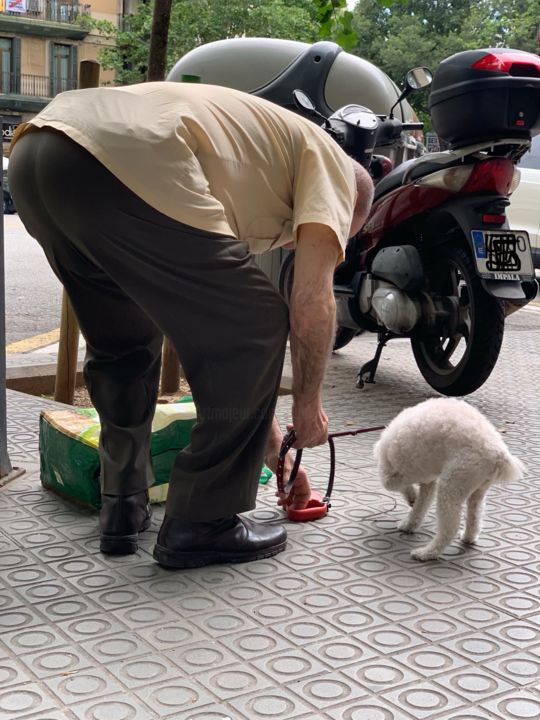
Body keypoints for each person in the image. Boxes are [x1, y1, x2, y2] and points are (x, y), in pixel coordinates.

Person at [8, 81, 373, 569]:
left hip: (40, 152)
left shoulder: (256, 167)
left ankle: (123, 504)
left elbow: (218, 346)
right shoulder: (332, 168)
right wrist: (308, 409)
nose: (298, 245)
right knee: (261, 319)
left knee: (125, 342)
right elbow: (308, 306)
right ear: (347, 207)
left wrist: (273, 453)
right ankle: (204, 522)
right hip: (128, 155)